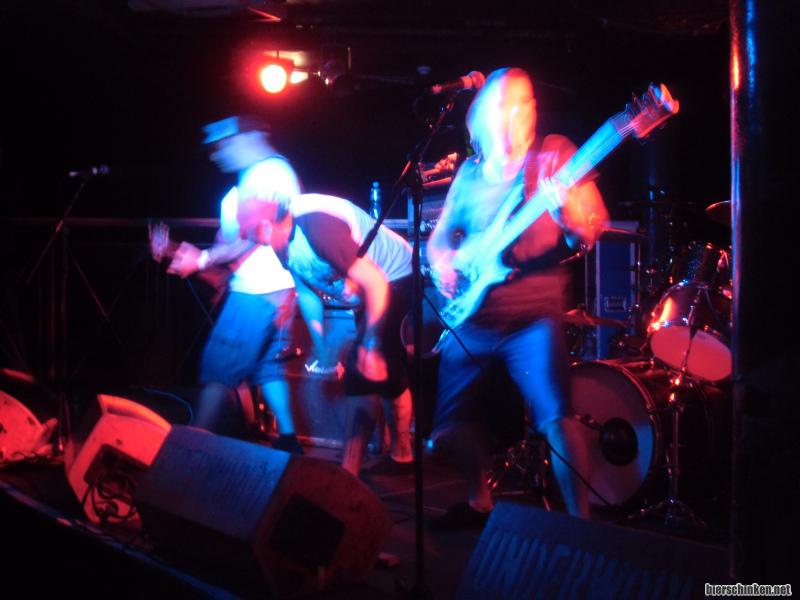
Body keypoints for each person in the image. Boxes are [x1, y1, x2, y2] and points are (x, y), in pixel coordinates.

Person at [425, 67, 609, 528]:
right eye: (508, 101)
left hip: (532, 316)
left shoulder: (553, 155)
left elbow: (592, 229)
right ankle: (479, 500)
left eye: (527, 101)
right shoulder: (470, 173)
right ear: (484, 113)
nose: (520, 111)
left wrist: (567, 214)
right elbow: (440, 238)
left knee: (556, 419)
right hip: (473, 316)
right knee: (446, 429)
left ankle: (582, 525)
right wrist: (442, 262)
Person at [235, 191, 414, 475]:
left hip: (395, 276)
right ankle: (402, 456)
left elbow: (376, 283)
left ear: (267, 225)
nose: (256, 243)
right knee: (386, 375)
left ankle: (349, 472)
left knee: (361, 373)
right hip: (368, 287)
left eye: (254, 235)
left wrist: (370, 343)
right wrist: (320, 345)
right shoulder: (281, 241)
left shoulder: (318, 227)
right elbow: (306, 291)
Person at [161, 114, 303, 453]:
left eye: (221, 146)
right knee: (267, 369)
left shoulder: (266, 174)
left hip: (257, 292)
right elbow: (235, 247)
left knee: (217, 368)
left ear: (245, 139)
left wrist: (202, 260)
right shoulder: (260, 175)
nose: (216, 156)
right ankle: (289, 442)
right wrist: (179, 253)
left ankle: (192, 448)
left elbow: (252, 236)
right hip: (272, 290)